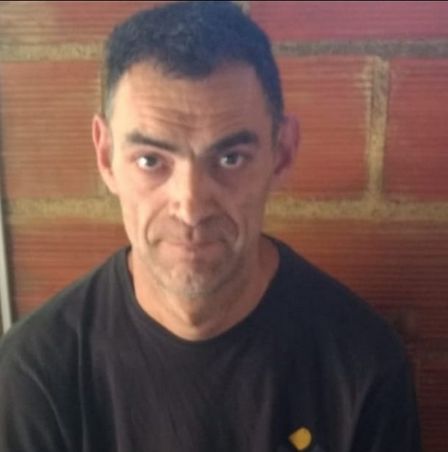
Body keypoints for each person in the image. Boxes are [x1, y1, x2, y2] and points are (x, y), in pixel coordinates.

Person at [0, 2, 421, 451]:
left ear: (281, 153)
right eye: (151, 161)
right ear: (106, 157)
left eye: (230, 158)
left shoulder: (364, 367)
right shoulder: (36, 372)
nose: (191, 207)